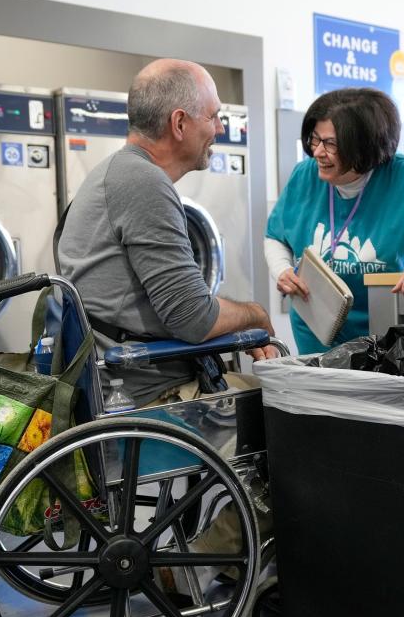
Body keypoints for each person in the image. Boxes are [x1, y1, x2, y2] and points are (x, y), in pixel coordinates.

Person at [57, 58, 279, 407]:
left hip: (120, 380)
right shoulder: (143, 182)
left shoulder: (116, 171)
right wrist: (255, 315)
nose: (219, 128)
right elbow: (193, 318)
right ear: (179, 123)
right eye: (213, 116)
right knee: (288, 411)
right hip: (149, 397)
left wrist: (234, 326)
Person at [264, 88, 404, 354]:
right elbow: (275, 236)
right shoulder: (305, 176)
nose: (317, 152)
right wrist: (282, 270)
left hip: (391, 342)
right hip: (318, 335)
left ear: (365, 145)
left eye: (331, 143)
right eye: (315, 140)